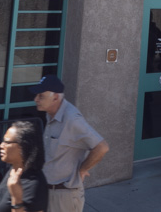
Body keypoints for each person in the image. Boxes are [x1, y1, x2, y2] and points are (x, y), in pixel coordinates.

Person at [30, 75, 109, 212]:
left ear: (55, 97)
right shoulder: (50, 114)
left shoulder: (72, 119)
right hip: (47, 191)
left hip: (63, 196)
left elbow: (102, 147)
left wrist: (83, 170)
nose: (36, 99)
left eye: (41, 96)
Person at [0, 121, 49, 212]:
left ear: (23, 147)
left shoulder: (34, 185)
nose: (1, 145)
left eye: (7, 142)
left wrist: (16, 199)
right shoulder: (13, 170)